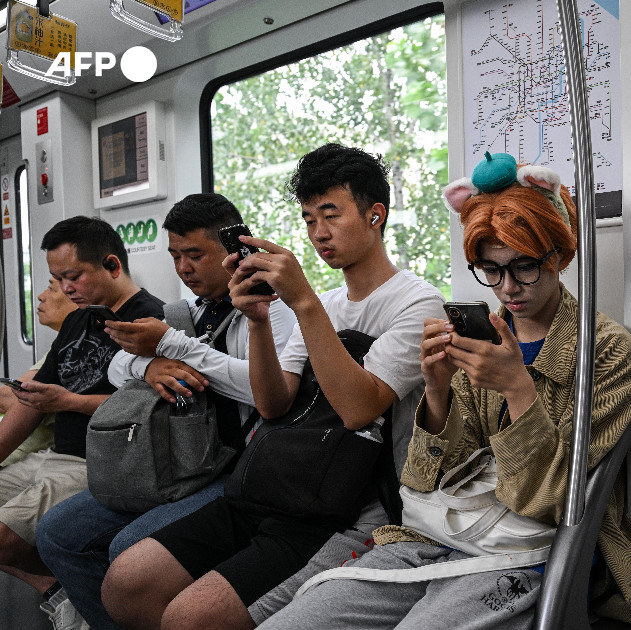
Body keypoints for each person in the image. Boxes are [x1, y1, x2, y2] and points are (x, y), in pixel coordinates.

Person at [256, 154, 631, 630]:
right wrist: (436, 393)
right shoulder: (481, 334)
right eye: (490, 269)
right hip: (439, 530)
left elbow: (554, 504)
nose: (507, 288)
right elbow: (426, 481)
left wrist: (517, 389)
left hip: (527, 549)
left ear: (561, 256)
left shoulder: (605, 351)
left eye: (524, 267)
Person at [101, 144, 445, 630]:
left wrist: (303, 302)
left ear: (375, 215)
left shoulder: (417, 302)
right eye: (308, 220)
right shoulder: (324, 300)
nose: (319, 234)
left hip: (350, 508)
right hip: (279, 484)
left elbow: (359, 409)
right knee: (127, 582)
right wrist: (258, 321)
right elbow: (273, 401)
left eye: (331, 215)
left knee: (189, 618)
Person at [34, 194, 296, 630]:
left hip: (236, 467)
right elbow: (117, 366)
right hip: (182, 457)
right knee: (58, 533)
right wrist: (150, 364)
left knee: (130, 548)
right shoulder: (186, 312)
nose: (183, 268)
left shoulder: (275, 311)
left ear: (233, 251)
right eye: (175, 256)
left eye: (195, 255)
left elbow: (263, 391)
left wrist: (173, 348)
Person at [0, 216, 165, 626]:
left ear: (112, 265)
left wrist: (70, 402)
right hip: (53, 456)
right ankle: (64, 589)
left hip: (102, 464)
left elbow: (143, 409)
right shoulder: (78, 319)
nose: (65, 288)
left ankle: (76, 593)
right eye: (58, 278)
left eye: (72, 276)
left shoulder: (151, 320)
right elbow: (34, 399)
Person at [0, 278, 79, 465]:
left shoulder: (70, 348)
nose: (40, 296)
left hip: (20, 457)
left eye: (51, 289)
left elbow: (15, 397)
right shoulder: (60, 345)